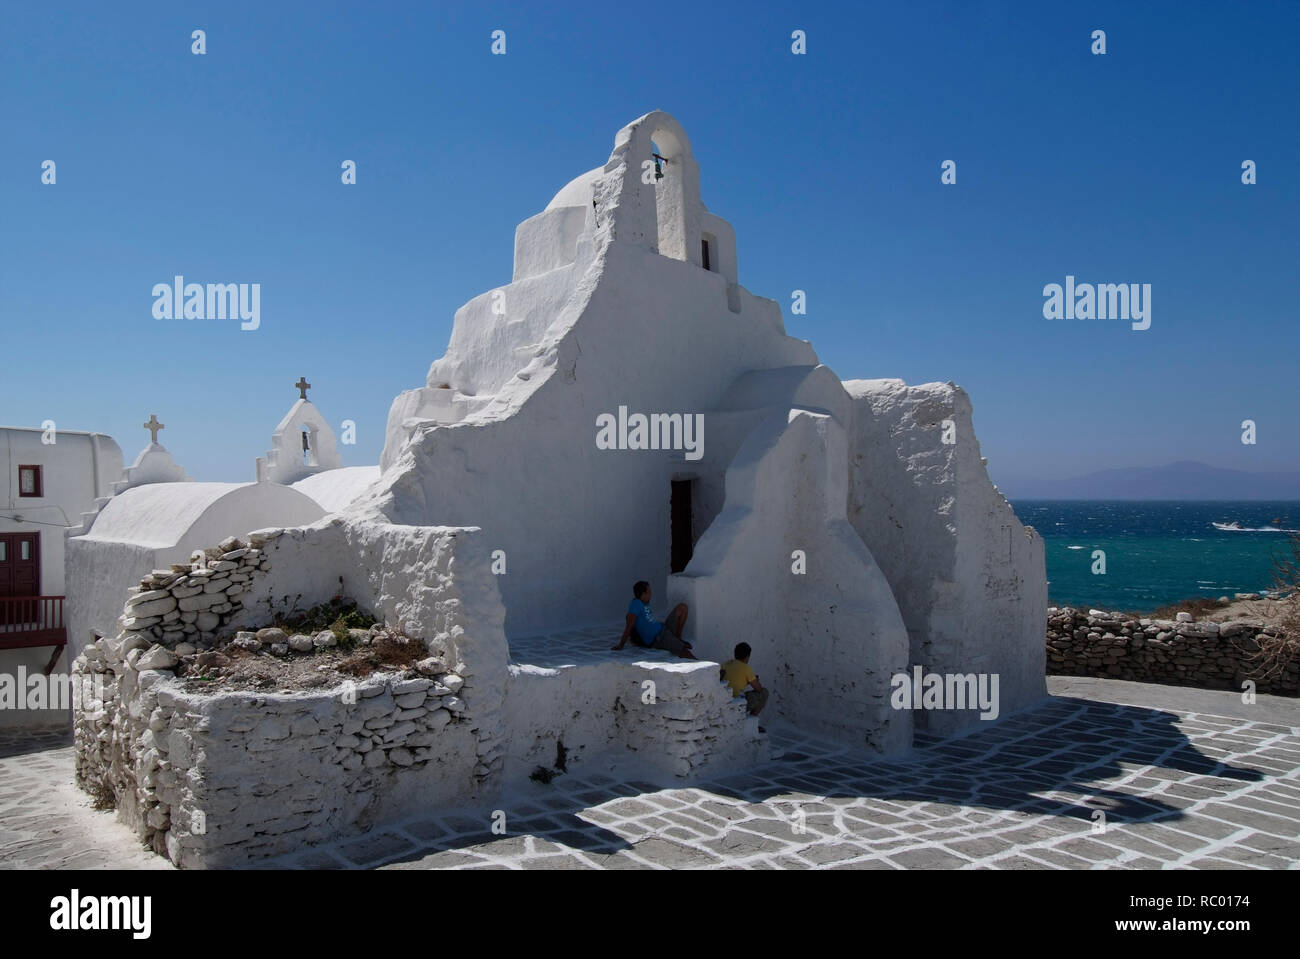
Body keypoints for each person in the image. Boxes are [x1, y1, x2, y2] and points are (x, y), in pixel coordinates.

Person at [612, 581, 696, 659]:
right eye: (649, 592)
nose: (651, 594)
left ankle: (677, 637)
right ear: (643, 594)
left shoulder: (644, 602)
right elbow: (629, 625)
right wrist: (621, 644)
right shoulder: (636, 604)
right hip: (659, 638)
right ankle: (701, 666)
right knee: (683, 651)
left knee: (682, 608)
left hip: (663, 628)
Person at [720, 642, 769, 725]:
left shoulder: (726, 664)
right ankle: (752, 723)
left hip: (723, 700)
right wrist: (755, 681)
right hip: (735, 701)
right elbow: (758, 689)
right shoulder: (746, 668)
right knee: (764, 692)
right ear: (747, 656)